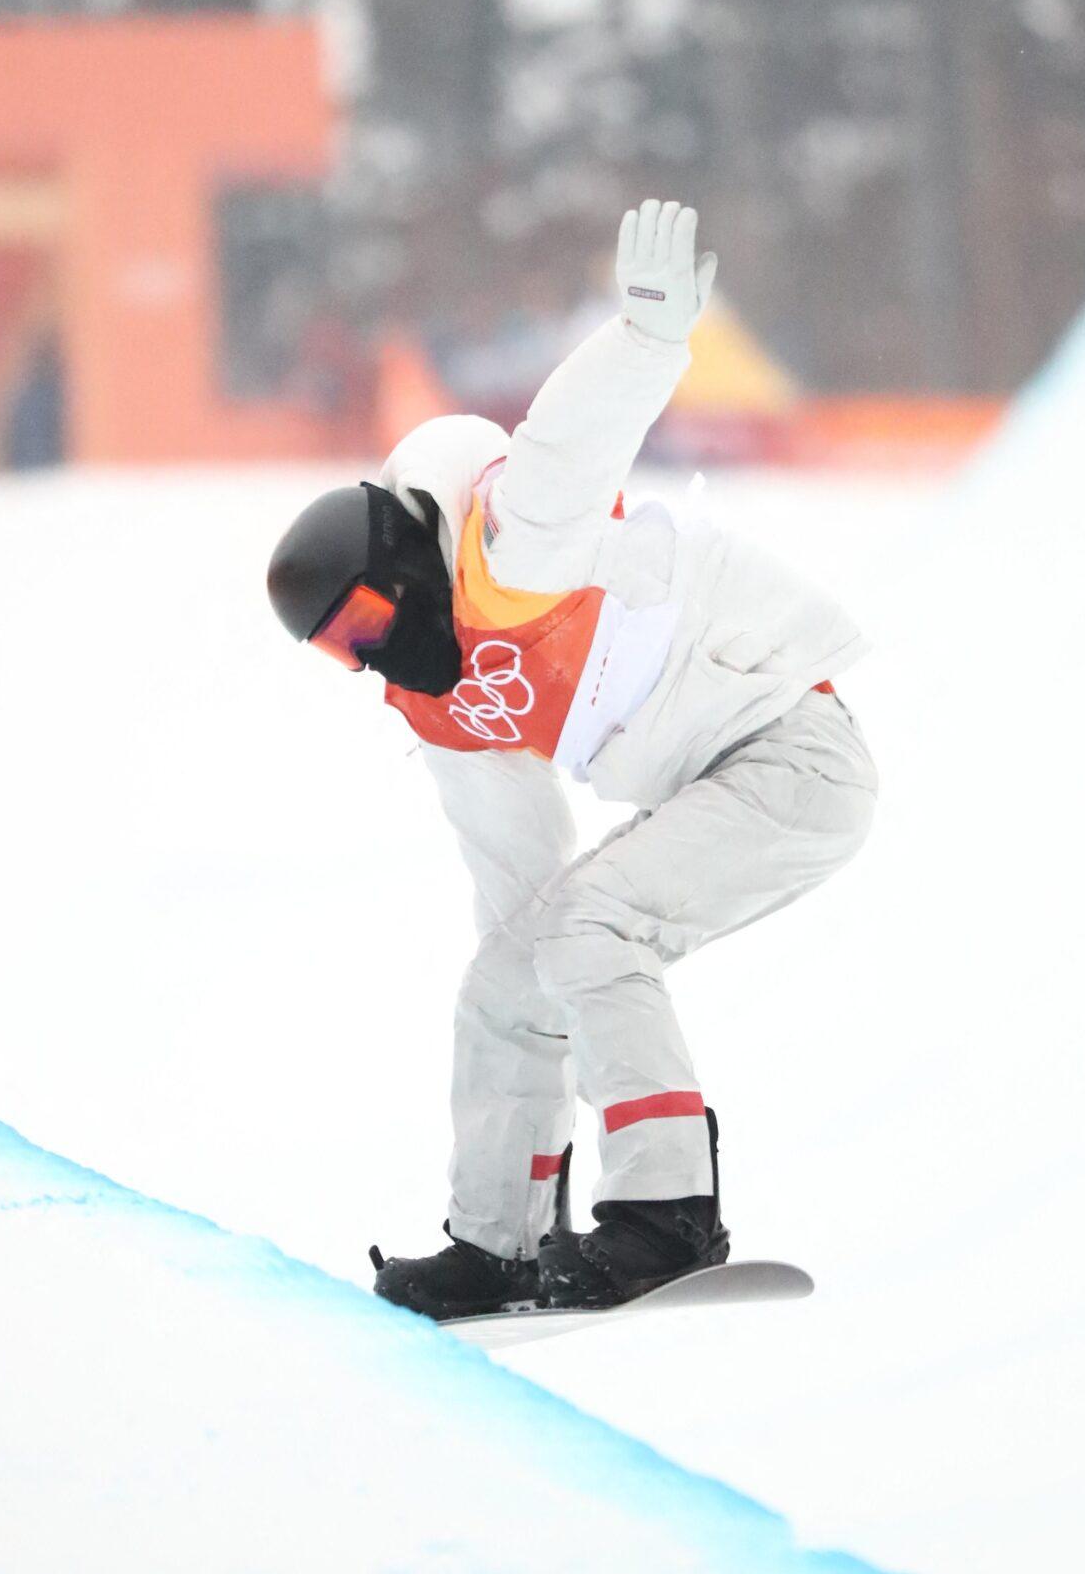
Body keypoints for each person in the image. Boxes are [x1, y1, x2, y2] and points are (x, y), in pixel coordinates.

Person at [266, 202, 876, 1319]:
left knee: (596, 927)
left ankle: (667, 1218)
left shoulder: (511, 547)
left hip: (795, 754)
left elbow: (568, 441)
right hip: (720, 778)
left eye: (364, 619)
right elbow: (520, 882)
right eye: (340, 651)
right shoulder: (443, 704)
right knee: (511, 969)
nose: (370, 654)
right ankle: (496, 1241)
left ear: (404, 557)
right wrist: (521, 980)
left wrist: (646, 338)